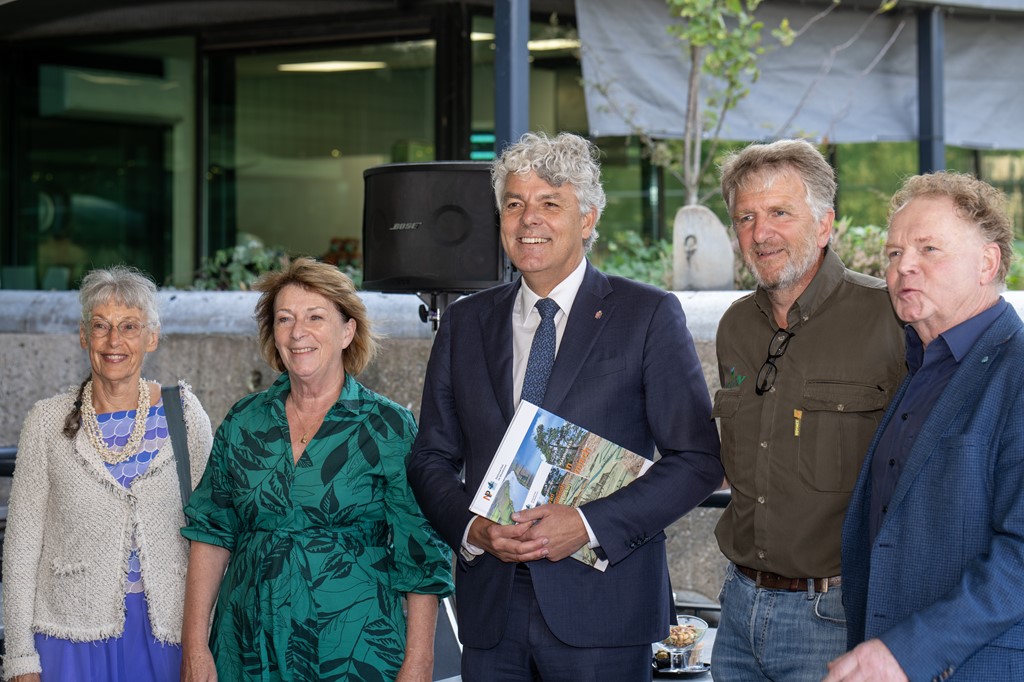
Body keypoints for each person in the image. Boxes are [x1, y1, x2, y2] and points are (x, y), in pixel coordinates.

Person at [406, 131, 723, 681]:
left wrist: (586, 524)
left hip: (604, 610)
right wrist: (473, 529)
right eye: (515, 204)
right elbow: (430, 457)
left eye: (551, 203)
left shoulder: (646, 314)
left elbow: (696, 460)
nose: (530, 219)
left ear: (589, 219)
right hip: (490, 611)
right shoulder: (465, 322)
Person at [180, 257, 453, 682]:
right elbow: (211, 533)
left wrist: (419, 663)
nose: (297, 332)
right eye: (284, 319)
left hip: (354, 652)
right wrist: (195, 647)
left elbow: (420, 553)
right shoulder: (244, 421)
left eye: (315, 317)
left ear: (348, 330)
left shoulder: (388, 426)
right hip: (246, 649)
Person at [710, 139, 906, 681]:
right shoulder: (735, 328)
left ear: (824, 225)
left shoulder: (889, 319)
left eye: (779, 213)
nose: (760, 232)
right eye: (746, 216)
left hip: (834, 618)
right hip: (735, 611)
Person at [824, 172, 1024, 682]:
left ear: (988, 262)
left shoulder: (1015, 370)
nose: (903, 266)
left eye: (928, 248)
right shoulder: (921, 365)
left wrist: (906, 652)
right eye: (893, 254)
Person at [1, 265, 213, 682]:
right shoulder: (47, 422)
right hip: (68, 635)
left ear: (151, 337)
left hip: (166, 636)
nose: (114, 341)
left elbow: (211, 534)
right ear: (84, 336)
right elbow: (22, 547)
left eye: (129, 326)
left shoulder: (184, 415)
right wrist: (20, 657)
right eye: (101, 326)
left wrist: (204, 638)